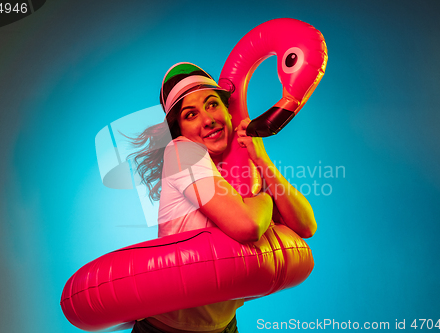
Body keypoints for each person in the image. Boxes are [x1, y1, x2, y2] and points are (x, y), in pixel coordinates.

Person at [129, 63, 317, 333]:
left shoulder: (244, 169)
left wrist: (261, 160)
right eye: (191, 114)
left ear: (229, 111)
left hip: (224, 326)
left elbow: (307, 225)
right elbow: (247, 225)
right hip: (167, 328)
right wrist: (265, 198)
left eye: (212, 104)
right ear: (179, 129)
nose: (207, 119)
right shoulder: (182, 152)